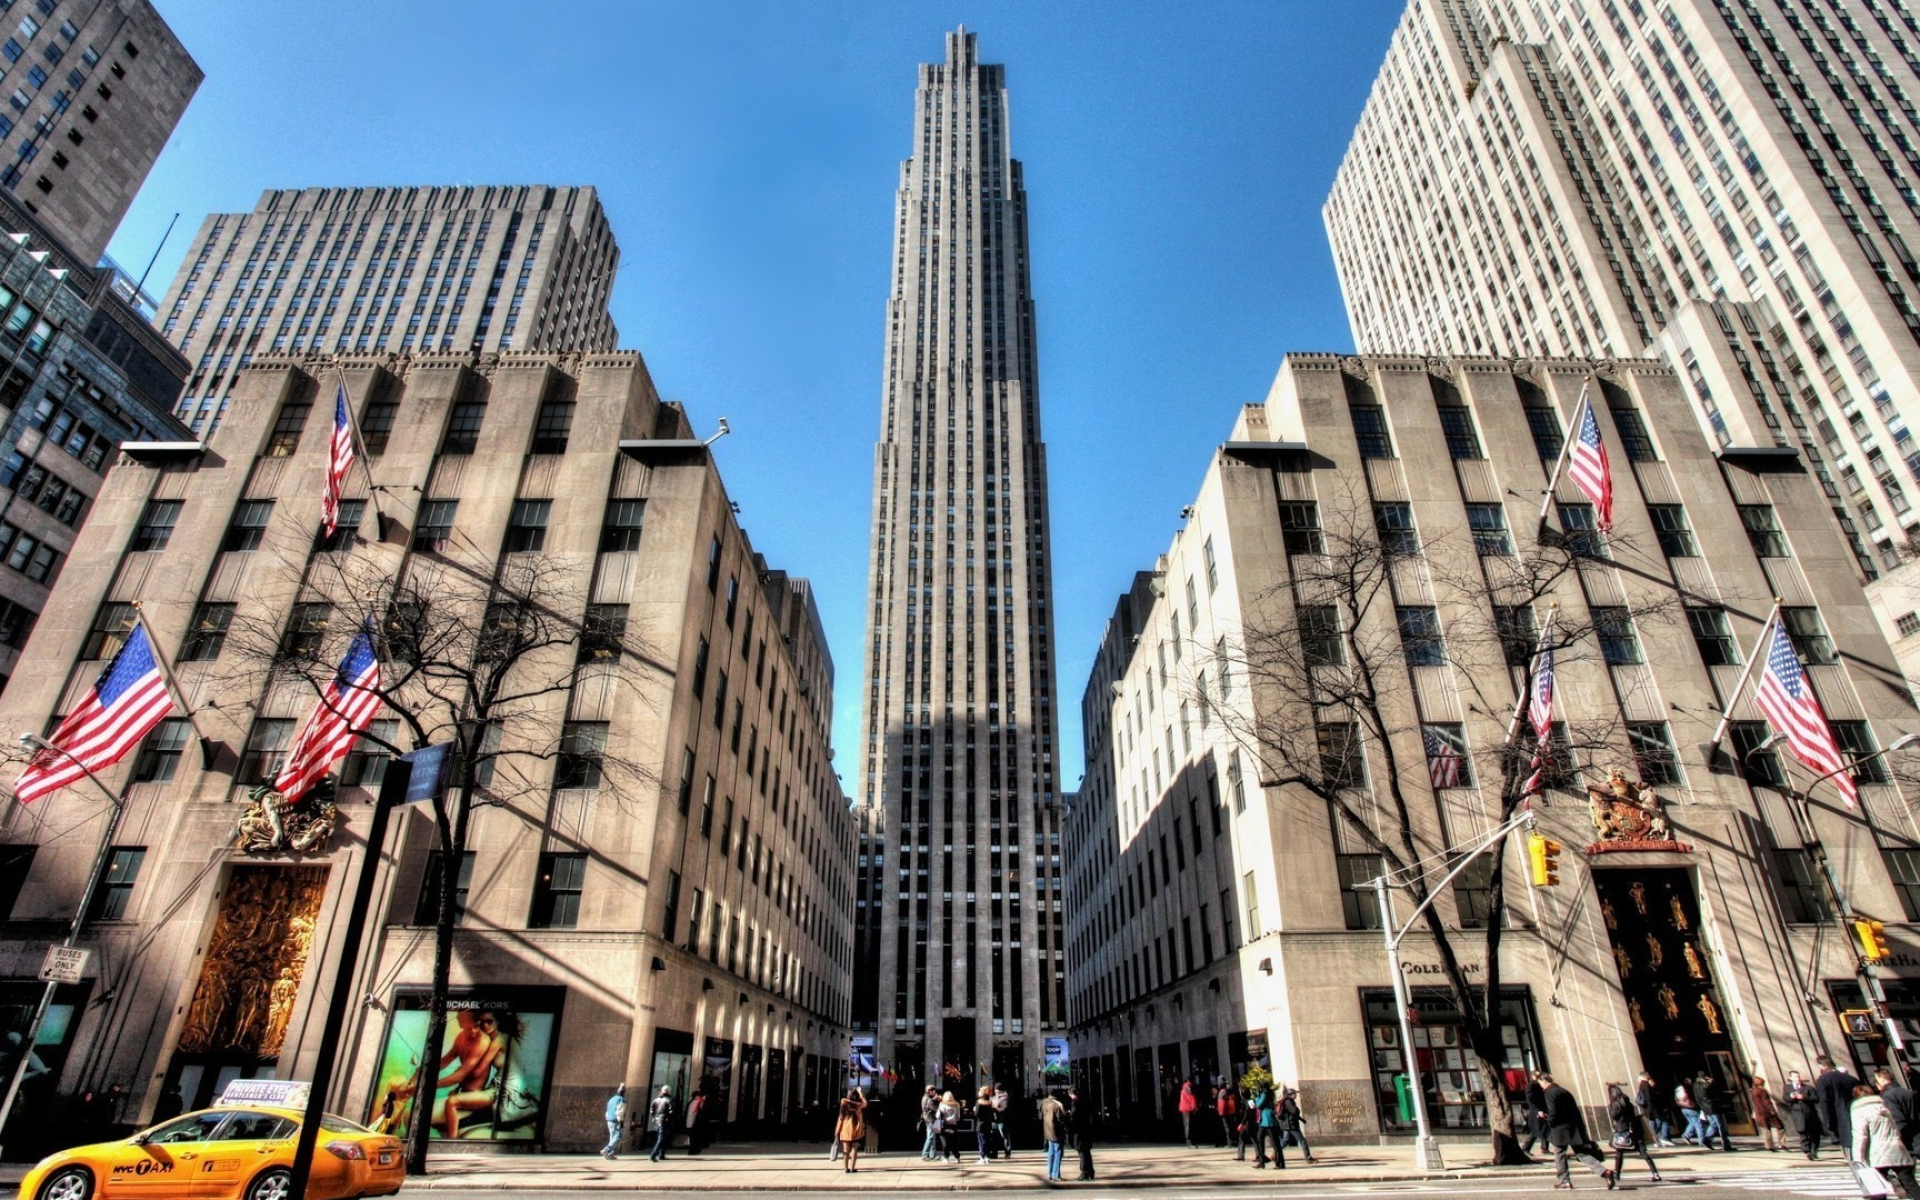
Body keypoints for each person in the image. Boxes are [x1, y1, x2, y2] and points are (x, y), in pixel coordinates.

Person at [1541, 1071, 1615, 1191]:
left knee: (1559, 1154)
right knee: (1582, 1153)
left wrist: (1547, 1118)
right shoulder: (1564, 1091)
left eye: (1540, 1083)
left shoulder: (1549, 1093)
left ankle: (1565, 1181)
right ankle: (1604, 1172)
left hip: (1560, 1128)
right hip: (1573, 1127)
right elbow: (1575, 1110)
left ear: (1544, 1081)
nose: (1541, 1086)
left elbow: (1553, 1112)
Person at [1854, 1082, 1920, 1199]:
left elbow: (1860, 1136)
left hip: (1876, 1153)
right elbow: (1895, 1128)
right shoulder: (1884, 1107)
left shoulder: (1859, 1111)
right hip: (1895, 1149)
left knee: (1877, 1189)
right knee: (1910, 1183)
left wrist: (1858, 1158)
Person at [1606, 1082, 1661, 1184]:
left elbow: (1614, 1116)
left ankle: (1617, 1174)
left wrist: (1610, 1108)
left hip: (1622, 1130)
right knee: (1643, 1152)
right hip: (1634, 1129)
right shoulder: (1627, 1102)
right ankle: (1655, 1173)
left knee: (1619, 1153)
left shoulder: (1615, 1103)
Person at [1816, 1054, 1863, 1156]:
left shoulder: (1823, 1080)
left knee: (1849, 1151)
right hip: (1858, 1115)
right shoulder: (1852, 1079)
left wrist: (1828, 1124)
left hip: (1839, 1119)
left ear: (1823, 1067)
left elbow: (1825, 1102)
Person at [1879, 1069, 1919, 1157]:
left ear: (1882, 1080)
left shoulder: (1887, 1095)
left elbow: (1897, 1118)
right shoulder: (1908, 1092)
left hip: (1903, 1132)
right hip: (1915, 1128)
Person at [1784, 1070, 1823, 1159]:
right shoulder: (1787, 1088)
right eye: (1795, 1077)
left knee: (1814, 1133)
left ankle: (1814, 1150)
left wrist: (1804, 1097)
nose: (1798, 1078)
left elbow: (1816, 1099)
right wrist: (1791, 1097)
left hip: (1810, 1114)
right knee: (1802, 1132)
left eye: (1798, 1076)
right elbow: (1785, 1098)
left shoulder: (1808, 1088)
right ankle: (1807, 1151)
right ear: (1790, 1078)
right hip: (1797, 1114)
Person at [1694, 1072, 1733, 1152]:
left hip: (1705, 1108)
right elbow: (1708, 1088)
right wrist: (1711, 1081)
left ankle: (1707, 1140)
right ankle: (1725, 1144)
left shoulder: (1695, 1085)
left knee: (1713, 1124)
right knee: (1720, 1125)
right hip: (1712, 1107)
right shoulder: (1704, 1085)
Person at [1252, 1082, 1286, 1169]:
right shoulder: (1267, 1093)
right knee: (1260, 1139)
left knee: (1275, 1143)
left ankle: (1280, 1163)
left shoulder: (1264, 1094)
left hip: (1268, 1120)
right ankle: (1262, 1160)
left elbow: (1259, 1105)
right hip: (1264, 1121)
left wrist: (1256, 1098)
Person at [1279, 1086, 1316, 1162]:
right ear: (1290, 1095)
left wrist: (1301, 1119)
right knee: (1302, 1140)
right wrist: (1298, 1109)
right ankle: (1308, 1157)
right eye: (1294, 1094)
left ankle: (1275, 1154)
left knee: (1285, 1140)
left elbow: (1293, 1114)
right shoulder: (1288, 1102)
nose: (1295, 1095)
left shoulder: (1289, 1101)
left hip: (1287, 1124)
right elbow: (1294, 1112)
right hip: (1291, 1125)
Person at [1636, 1073, 1674, 1147]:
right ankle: (1662, 1138)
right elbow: (1649, 1097)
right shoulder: (1646, 1085)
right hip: (1653, 1108)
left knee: (1654, 1123)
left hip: (1649, 1109)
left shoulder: (1642, 1085)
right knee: (1660, 1122)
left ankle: (1659, 1139)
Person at [835, 1087, 868, 1173]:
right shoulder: (859, 1105)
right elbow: (865, 1103)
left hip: (845, 1128)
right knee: (854, 1149)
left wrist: (837, 1131)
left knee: (846, 1150)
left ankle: (846, 1168)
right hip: (856, 1129)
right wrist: (860, 1093)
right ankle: (853, 1168)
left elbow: (841, 1118)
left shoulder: (844, 1102)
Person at [1069, 1086, 1098, 1181]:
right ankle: (1090, 1172)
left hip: (1080, 1131)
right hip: (1087, 1129)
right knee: (1086, 1152)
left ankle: (1084, 1172)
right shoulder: (1086, 1101)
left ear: (1072, 1094)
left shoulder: (1076, 1103)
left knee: (1082, 1152)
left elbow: (1073, 1117)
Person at [1750, 1075, 1786, 1152]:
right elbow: (1767, 1102)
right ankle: (1782, 1144)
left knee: (1765, 1129)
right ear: (1762, 1084)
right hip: (1767, 1112)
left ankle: (1769, 1146)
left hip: (1759, 1113)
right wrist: (1773, 1110)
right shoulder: (1763, 1091)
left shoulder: (1753, 1091)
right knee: (1780, 1127)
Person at [1040, 1088, 1068, 1182]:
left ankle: (1050, 1174)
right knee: (1058, 1153)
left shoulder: (1044, 1103)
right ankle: (1056, 1174)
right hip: (1057, 1132)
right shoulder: (1057, 1105)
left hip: (1048, 1131)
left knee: (1051, 1153)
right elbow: (1061, 1119)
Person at [1523, 1071, 1550, 1156]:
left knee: (1546, 1128)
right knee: (1535, 1131)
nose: (1539, 1077)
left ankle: (1545, 1148)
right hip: (1537, 1111)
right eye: (1537, 1075)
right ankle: (1525, 1148)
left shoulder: (1539, 1085)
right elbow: (1530, 1100)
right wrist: (1537, 1110)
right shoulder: (1531, 1085)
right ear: (1533, 1076)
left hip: (1542, 1110)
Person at [647, 1085, 675, 1162]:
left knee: (660, 1137)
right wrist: (670, 1118)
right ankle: (653, 1154)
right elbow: (671, 1111)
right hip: (664, 1120)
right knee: (662, 1138)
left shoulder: (656, 1100)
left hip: (657, 1120)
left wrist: (654, 1117)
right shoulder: (669, 1100)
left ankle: (661, 1154)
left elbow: (652, 1110)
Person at [1673, 1075, 1703, 1145]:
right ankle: (1702, 1140)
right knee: (1698, 1124)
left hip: (1683, 1108)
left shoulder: (1678, 1088)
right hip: (1691, 1108)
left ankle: (1686, 1135)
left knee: (1692, 1123)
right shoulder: (1688, 1088)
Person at [937, 1090, 963, 1162]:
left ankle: (946, 1157)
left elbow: (938, 1116)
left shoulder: (942, 1104)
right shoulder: (957, 1104)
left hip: (945, 1125)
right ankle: (957, 1157)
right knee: (954, 1142)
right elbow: (958, 1117)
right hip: (953, 1125)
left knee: (945, 1141)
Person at [601, 1083, 626, 1160]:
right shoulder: (621, 1100)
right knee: (617, 1137)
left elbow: (607, 1110)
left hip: (609, 1119)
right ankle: (607, 1149)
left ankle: (610, 1154)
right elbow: (620, 1111)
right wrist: (621, 1122)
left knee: (612, 1137)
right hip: (616, 1120)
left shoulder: (611, 1099)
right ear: (623, 1092)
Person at [1217, 1084, 1241, 1158]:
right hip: (1231, 1113)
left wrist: (1221, 1112)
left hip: (1226, 1112)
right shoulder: (1232, 1096)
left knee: (1227, 1128)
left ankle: (1230, 1142)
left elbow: (1221, 1105)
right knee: (1231, 1127)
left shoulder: (1222, 1094)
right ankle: (1233, 1141)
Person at [973, 1086, 996, 1163]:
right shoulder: (990, 1102)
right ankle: (987, 1156)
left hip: (981, 1124)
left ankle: (982, 1157)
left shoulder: (979, 1102)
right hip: (988, 1123)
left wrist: (974, 1110)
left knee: (981, 1141)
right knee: (987, 1141)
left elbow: (976, 1114)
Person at [685, 1085, 709, 1155]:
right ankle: (694, 1150)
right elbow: (701, 1113)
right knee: (695, 1138)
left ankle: (692, 1150)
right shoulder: (700, 1102)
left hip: (688, 1123)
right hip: (696, 1123)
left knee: (692, 1138)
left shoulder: (691, 1102)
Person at [920, 1085, 941, 1161]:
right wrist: (938, 1100)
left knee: (932, 1138)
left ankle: (933, 1155)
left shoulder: (925, 1098)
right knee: (930, 1137)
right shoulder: (929, 1099)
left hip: (929, 1119)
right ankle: (925, 1154)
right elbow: (936, 1108)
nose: (935, 1093)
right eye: (934, 1091)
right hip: (931, 1119)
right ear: (930, 1091)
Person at [992, 1082, 1012, 1158]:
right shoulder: (994, 1098)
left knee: (1004, 1136)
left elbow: (1004, 1109)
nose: (995, 1091)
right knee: (994, 1136)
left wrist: (995, 1108)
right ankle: (994, 1153)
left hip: (1001, 1120)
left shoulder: (1004, 1098)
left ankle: (1007, 1152)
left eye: (997, 1090)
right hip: (994, 1120)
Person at [1178, 1079, 1200, 1147]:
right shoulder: (1188, 1087)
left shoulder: (1184, 1088)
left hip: (1184, 1108)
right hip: (1188, 1108)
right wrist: (1194, 1107)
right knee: (1189, 1125)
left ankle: (1188, 1141)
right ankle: (1190, 1141)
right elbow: (1191, 1098)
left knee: (1187, 1125)